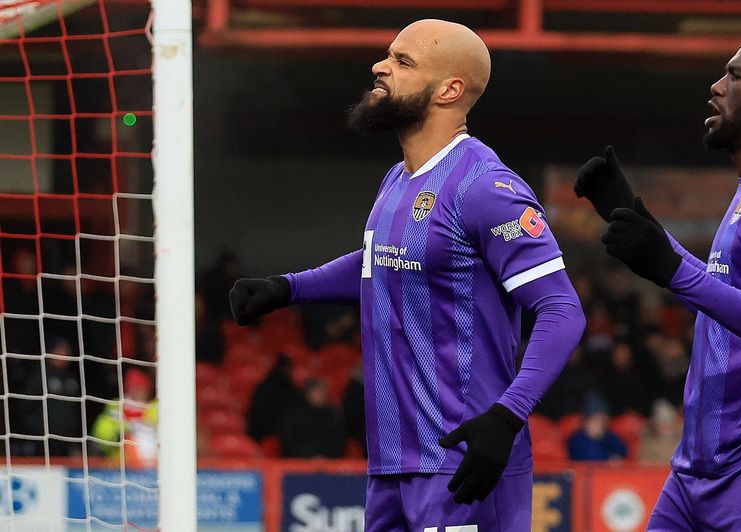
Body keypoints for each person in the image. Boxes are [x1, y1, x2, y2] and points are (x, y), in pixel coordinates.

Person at [229, 19, 585, 531]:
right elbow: (381, 260)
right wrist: (290, 288)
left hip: (464, 462)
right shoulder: (398, 179)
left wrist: (508, 418)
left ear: (450, 89)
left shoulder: (486, 188)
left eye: (402, 61)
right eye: (387, 56)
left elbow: (562, 310)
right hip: (392, 465)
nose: (381, 66)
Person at [576, 38, 741, 530]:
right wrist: (632, 217)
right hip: (697, 473)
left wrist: (674, 270)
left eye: (736, 76)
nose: (716, 87)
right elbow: (715, 283)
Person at [279, 378, 347, 458]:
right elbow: (289, 441)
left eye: (324, 392)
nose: (322, 395)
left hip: (328, 463)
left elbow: (339, 441)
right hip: (298, 462)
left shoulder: (333, 415)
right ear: (308, 393)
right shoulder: (294, 415)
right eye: (318, 391)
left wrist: (326, 458)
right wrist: (310, 456)